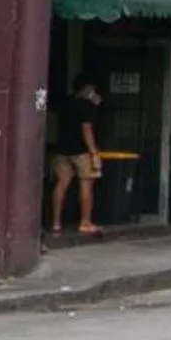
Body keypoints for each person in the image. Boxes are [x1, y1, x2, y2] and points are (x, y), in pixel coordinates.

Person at [47, 76, 105, 238]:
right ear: (87, 89)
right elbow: (87, 129)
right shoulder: (87, 106)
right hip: (82, 151)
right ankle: (85, 222)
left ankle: (56, 223)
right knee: (86, 185)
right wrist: (94, 153)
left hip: (62, 149)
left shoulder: (65, 103)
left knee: (61, 183)